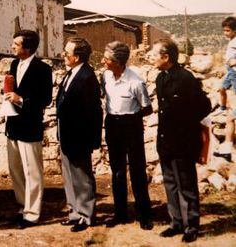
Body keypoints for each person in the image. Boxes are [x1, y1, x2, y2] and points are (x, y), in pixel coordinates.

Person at [151, 38, 211, 243]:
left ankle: (191, 225)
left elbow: (204, 106)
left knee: (186, 185)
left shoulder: (186, 79)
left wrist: (186, 126)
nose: (151, 57)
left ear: (166, 57)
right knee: (170, 184)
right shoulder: (160, 78)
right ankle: (176, 222)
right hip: (165, 142)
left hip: (183, 143)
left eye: (154, 53)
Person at [101, 41, 153, 230]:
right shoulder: (105, 76)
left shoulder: (135, 81)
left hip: (131, 125)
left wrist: (131, 120)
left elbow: (147, 108)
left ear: (119, 62)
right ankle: (120, 213)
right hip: (112, 125)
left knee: (138, 171)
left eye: (106, 59)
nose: (103, 61)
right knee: (117, 172)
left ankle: (144, 214)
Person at [5, 30, 53, 229]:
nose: (13, 46)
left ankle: (32, 214)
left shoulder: (43, 69)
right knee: (15, 169)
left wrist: (22, 100)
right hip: (13, 124)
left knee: (32, 171)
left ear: (28, 48)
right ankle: (23, 206)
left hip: (30, 125)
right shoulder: (15, 64)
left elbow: (46, 99)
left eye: (16, 43)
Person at [56, 37, 102, 232]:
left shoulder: (87, 77)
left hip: (79, 136)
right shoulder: (71, 74)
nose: (63, 55)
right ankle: (74, 212)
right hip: (67, 135)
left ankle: (86, 215)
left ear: (76, 57)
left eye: (67, 53)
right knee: (69, 175)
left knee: (82, 176)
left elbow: (93, 111)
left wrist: (90, 139)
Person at [213, 16, 236, 161]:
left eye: (228, 30)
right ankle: (222, 106)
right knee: (221, 88)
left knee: (230, 118)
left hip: (234, 72)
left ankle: (228, 147)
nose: (225, 33)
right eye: (224, 31)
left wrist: (233, 64)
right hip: (230, 72)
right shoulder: (231, 41)